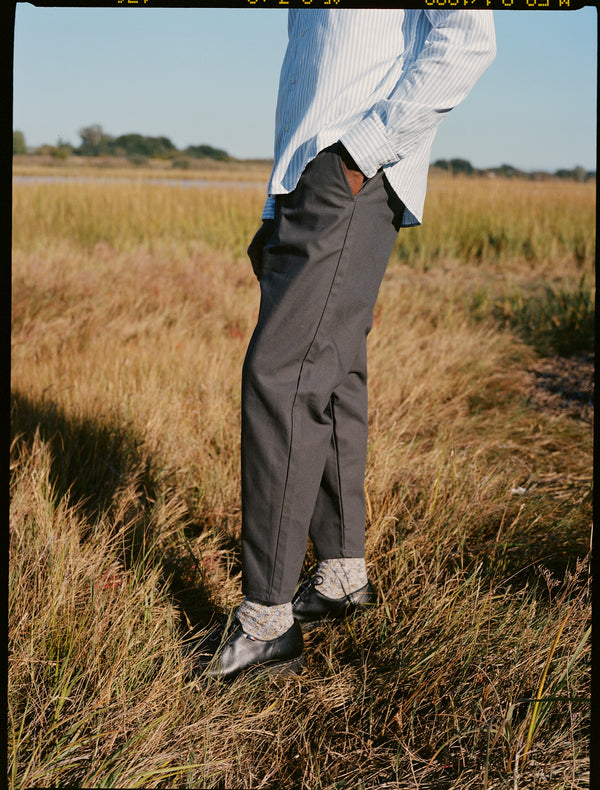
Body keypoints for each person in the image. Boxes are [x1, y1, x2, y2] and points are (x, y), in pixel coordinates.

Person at [189, 8, 496, 681]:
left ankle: (267, 621)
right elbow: (318, 72)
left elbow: (469, 38)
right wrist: (278, 203)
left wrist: (363, 151)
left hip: (353, 167)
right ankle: (339, 573)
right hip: (309, 176)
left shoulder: (360, 155)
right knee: (332, 373)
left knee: (281, 378)